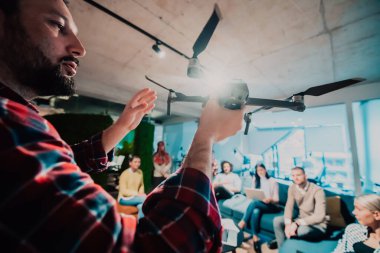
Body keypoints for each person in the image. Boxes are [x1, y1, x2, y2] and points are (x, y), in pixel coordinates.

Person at [0, 1, 245, 251]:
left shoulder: (17, 124)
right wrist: (206, 137)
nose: (80, 48)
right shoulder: (7, 123)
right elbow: (154, 246)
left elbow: (55, 163)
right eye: (57, 25)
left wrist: (122, 127)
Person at [272, 166, 327, 249]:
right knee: (277, 221)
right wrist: (288, 224)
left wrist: (297, 223)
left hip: (317, 225)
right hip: (301, 219)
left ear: (305, 176)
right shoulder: (292, 187)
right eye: (293, 175)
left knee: (301, 230)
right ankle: (282, 249)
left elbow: (320, 216)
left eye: (298, 175)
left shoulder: (318, 190)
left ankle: (290, 244)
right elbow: (289, 206)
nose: (295, 178)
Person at [237, 163, 281, 253]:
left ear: (265, 170)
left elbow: (277, 199)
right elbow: (254, 193)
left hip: (272, 206)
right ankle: (255, 237)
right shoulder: (256, 180)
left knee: (254, 203)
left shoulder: (272, 181)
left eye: (261, 170)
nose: (260, 172)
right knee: (256, 211)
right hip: (260, 204)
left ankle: (242, 222)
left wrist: (270, 199)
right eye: (258, 170)